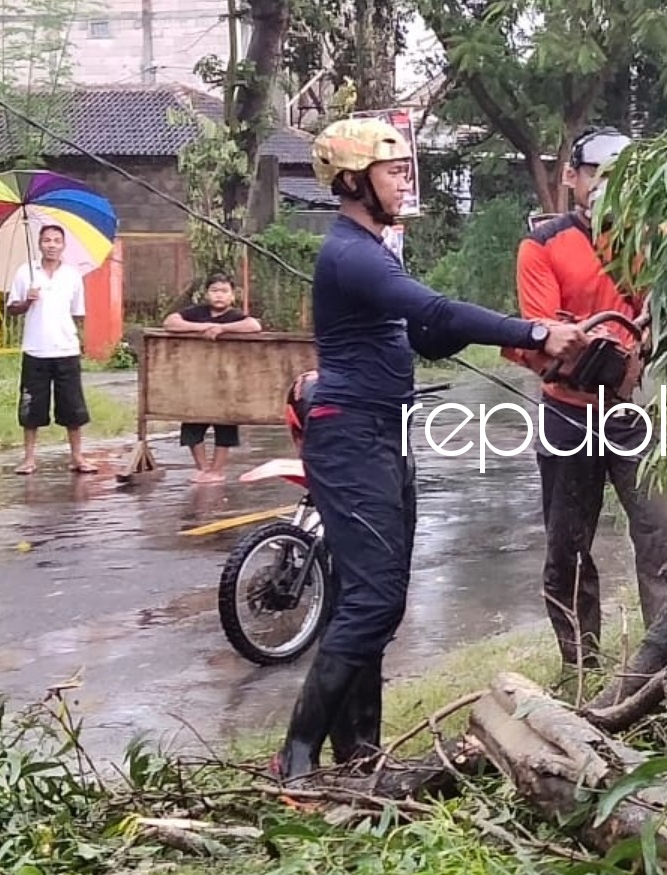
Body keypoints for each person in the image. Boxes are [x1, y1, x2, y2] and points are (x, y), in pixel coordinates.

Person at [268, 116, 588, 782]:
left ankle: (359, 749)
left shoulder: (375, 249)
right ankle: (295, 756)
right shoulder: (350, 253)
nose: (403, 182)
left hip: (381, 429)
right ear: (353, 180)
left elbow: (422, 333)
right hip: (350, 432)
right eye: (393, 171)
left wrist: (447, 331)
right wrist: (535, 328)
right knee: (374, 599)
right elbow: (437, 314)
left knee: (372, 593)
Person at [503, 125, 667, 671]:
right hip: (568, 413)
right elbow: (542, 332)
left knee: (661, 539)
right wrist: (593, 346)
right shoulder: (543, 245)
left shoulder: (651, 237)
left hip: (632, 412)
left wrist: (652, 335)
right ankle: (580, 666)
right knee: (568, 548)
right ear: (572, 177)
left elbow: (666, 312)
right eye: (596, 175)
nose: (606, 186)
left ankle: (663, 661)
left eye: (620, 178)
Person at [5, 224, 95, 476]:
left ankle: (77, 456)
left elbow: (78, 313)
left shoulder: (72, 275)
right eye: (47, 240)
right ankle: (29, 458)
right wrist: (27, 301)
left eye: (57, 241)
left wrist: (80, 342)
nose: (52, 245)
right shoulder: (26, 273)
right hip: (35, 350)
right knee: (31, 407)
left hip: (66, 349)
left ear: (64, 245)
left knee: (73, 407)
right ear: (39, 244)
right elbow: (11, 308)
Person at [161, 272, 264, 483]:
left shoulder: (235, 316)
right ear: (206, 294)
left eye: (224, 291)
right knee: (192, 424)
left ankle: (217, 470)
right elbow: (170, 322)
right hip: (196, 380)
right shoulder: (196, 313)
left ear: (232, 295)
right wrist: (204, 328)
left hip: (227, 382)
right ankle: (203, 467)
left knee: (225, 426)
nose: (219, 295)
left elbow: (254, 326)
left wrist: (222, 329)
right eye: (214, 290)